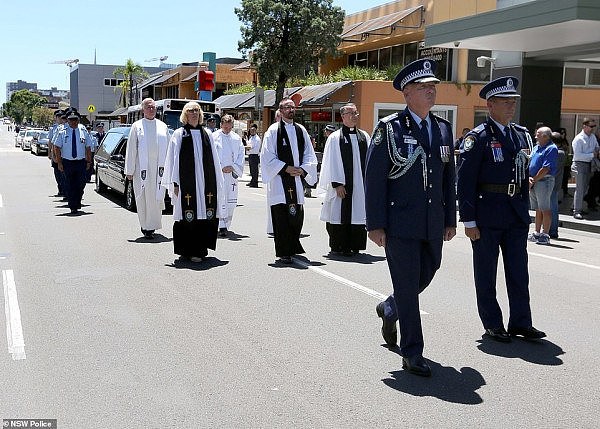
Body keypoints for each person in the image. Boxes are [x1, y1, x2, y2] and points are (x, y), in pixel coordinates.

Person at [366, 59, 456, 377]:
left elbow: (448, 178)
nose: (431, 91)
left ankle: (389, 308)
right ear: (407, 95)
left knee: (428, 273)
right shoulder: (389, 129)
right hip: (400, 222)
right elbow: (374, 178)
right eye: (423, 88)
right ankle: (412, 352)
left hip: (432, 221)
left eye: (432, 87)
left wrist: (450, 219)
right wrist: (374, 224)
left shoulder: (443, 128)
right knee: (407, 285)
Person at [457, 76, 546, 343]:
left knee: (519, 271)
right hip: (487, 213)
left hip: (515, 212)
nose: (511, 106)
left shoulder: (520, 135)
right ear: (490, 105)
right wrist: (469, 220)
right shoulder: (479, 137)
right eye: (506, 102)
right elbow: (465, 181)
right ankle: (493, 323)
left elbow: (520, 169)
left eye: (513, 101)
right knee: (486, 272)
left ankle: (521, 322)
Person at [161, 102, 226, 262]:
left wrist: (217, 181)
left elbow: (215, 161)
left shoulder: (207, 134)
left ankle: (200, 250)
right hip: (186, 185)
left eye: (197, 110)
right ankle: (185, 250)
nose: (194, 113)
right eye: (191, 111)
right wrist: (174, 183)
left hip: (205, 184)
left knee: (203, 215)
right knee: (186, 216)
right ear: (185, 114)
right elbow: (173, 160)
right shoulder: (179, 134)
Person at [260, 98, 318, 264]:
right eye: (287, 107)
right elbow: (267, 156)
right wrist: (285, 168)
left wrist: (303, 169)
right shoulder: (272, 131)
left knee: (296, 217)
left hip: (297, 180)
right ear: (281, 110)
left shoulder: (301, 130)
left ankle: (293, 246)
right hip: (280, 182)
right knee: (281, 218)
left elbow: (309, 153)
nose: (291, 110)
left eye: (293, 107)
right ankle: (284, 252)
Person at [319, 103, 370, 256]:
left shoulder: (364, 136)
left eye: (356, 113)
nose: (355, 116)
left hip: (360, 186)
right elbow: (331, 162)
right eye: (351, 113)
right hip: (342, 186)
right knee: (339, 213)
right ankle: (339, 246)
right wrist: (337, 184)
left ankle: (355, 246)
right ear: (343, 117)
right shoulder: (335, 138)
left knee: (358, 213)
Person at [125, 98, 170, 239]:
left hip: (159, 169)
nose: (151, 109)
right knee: (143, 198)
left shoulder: (163, 126)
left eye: (153, 107)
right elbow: (131, 149)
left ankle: (153, 225)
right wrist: (129, 170)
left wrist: (170, 169)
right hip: (142, 169)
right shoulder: (137, 126)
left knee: (157, 198)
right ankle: (145, 226)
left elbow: (169, 149)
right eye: (148, 107)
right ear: (143, 109)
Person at [53, 110, 92, 214]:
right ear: (68, 121)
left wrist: (89, 161)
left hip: (80, 162)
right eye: (71, 120)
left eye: (75, 120)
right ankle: (72, 206)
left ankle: (77, 201)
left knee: (81, 184)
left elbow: (88, 147)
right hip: (67, 162)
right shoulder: (62, 131)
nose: (73, 122)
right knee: (69, 184)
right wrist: (59, 162)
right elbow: (56, 147)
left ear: (78, 120)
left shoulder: (83, 130)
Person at [212, 114, 245, 237]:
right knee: (219, 199)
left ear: (232, 126)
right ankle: (218, 225)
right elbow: (211, 155)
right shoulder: (214, 137)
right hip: (218, 175)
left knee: (230, 201)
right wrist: (220, 168)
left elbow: (241, 155)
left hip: (231, 175)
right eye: (225, 127)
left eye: (229, 128)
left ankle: (225, 225)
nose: (227, 130)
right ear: (221, 125)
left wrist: (233, 167)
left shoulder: (236, 138)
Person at [527, 126, 558, 245]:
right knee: (538, 208)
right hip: (534, 180)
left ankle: (545, 234)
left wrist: (533, 180)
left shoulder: (551, 148)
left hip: (544, 181)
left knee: (545, 208)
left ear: (545, 136)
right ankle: (536, 232)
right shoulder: (536, 147)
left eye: (538, 134)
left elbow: (546, 168)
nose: (535, 136)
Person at [571, 118, 599, 219]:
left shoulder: (592, 137)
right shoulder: (578, 139)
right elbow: (577, 156)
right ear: (584, 126)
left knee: (585, 188)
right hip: (579, 164)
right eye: (591, 126)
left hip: (589, 164)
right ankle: (576, 211)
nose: (592, 129)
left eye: (593, 126)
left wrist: (596, 151)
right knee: (580, 188)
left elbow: (596, 147)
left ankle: (574, 206)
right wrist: (592, 154)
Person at [549, 132, 566, 239]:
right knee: (552, 206)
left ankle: (553, 230)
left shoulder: (558, 152)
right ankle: (552, 229)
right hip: (556, 182)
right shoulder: (561, 152)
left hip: (552, 183)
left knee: (552, 207)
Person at [47, 109, 66, 198]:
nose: (60, 119)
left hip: (64, 154)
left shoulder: (66, 127)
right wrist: (50, 153)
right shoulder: (53, 128)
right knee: (57, 173)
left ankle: (65, 189)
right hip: (55, 153)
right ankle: (60, 188)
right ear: (56, 118)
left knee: (64, 173)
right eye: (58, 117)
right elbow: (50, 141)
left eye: (62, 117)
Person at [246, 123, 261, 188]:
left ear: (256, 130)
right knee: (251, 170)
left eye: (253, 130)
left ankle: (255, 182)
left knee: (255, 170)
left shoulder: (257, 139)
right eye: (251, 130)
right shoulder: (251, 137)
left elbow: (256, 149)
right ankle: (252, 181)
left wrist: (249, 149)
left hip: (254, 155)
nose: (252, 131)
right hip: (251, 155)